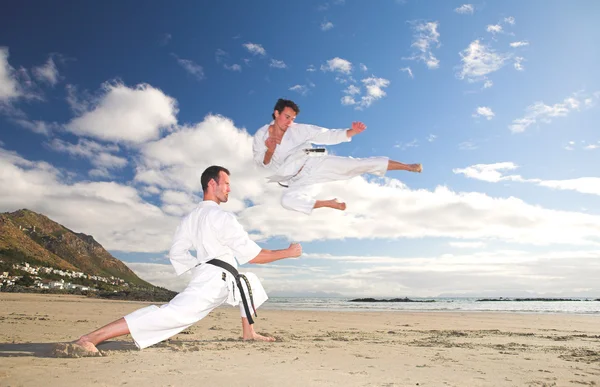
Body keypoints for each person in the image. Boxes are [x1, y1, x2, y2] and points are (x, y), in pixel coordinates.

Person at [73, 165, 302, 353]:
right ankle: (91, 337)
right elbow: (254, 256)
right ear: (212, 184)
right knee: (170, 315)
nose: (229, 189)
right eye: (227, 184)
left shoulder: (189, 218)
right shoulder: (222, 217)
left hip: (217, 277)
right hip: (213, 281)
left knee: (249, 281)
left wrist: (198, 269)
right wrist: (288, 252)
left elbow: (176, 253)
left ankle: (248, 332)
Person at [252, 98, 422, 215]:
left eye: (293, 118)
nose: (289, 122)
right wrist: (270, 151)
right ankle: (329, 203)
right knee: (287, 201)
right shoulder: (261, 136)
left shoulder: (298, 129)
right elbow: (261, 166)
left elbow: (325, 135)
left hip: (314, 162)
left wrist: (351, 132)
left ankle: (408, 166)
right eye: (286, 117)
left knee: (357, 165)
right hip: (296, 180)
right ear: (276, 113)